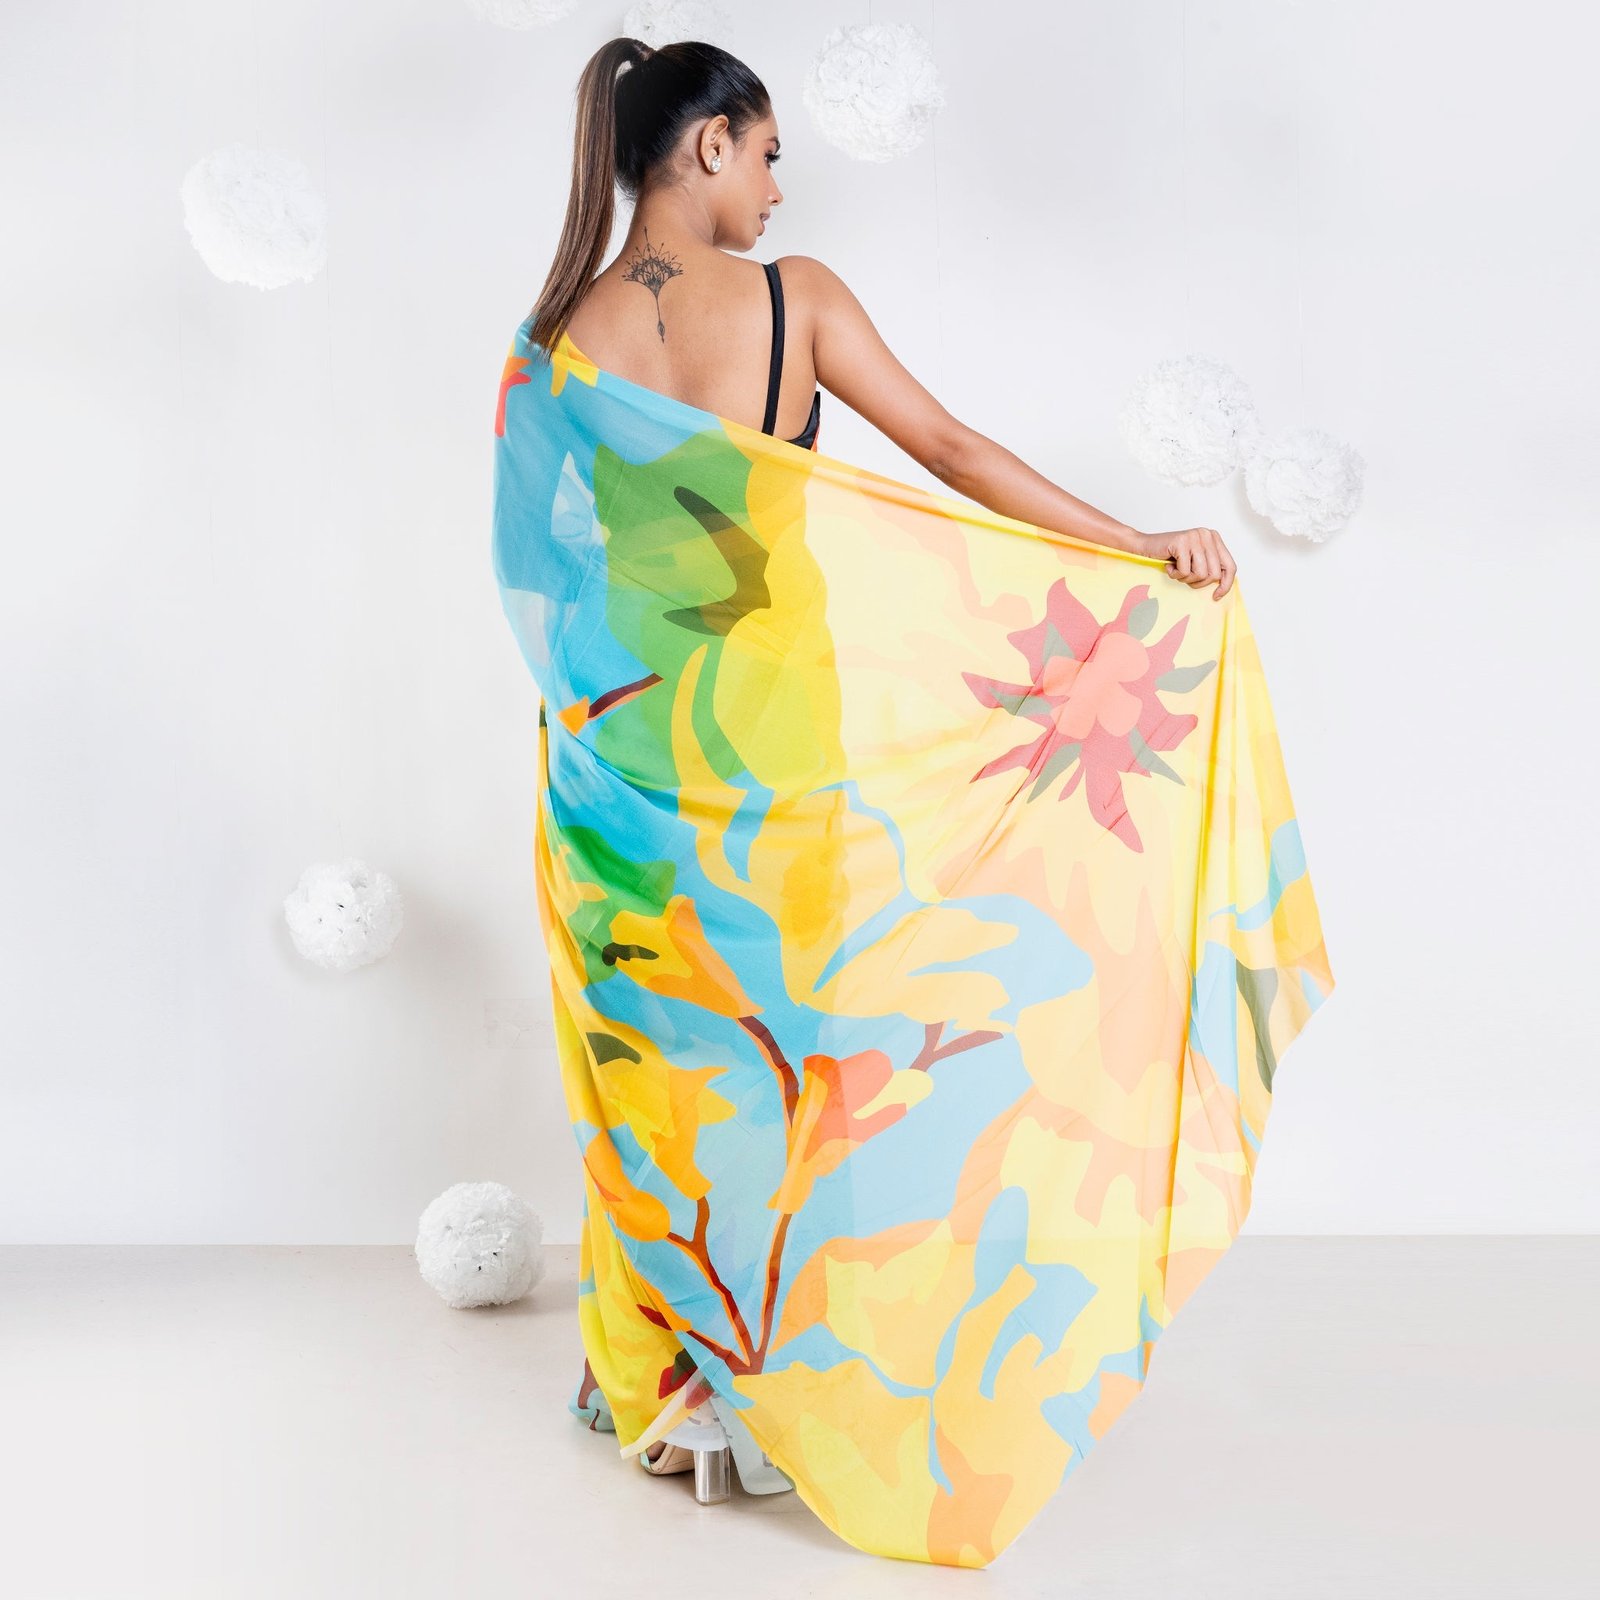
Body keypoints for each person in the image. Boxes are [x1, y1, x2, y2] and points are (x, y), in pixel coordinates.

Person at [527, 36, 1236, 624]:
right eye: (767, 155)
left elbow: (541, 558)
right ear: (715, 143)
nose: (775, 190)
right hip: (767, 709)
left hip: (610, 711)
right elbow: (952, 454)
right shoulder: (794, 298)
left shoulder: (557, 334)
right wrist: (1134, 541)